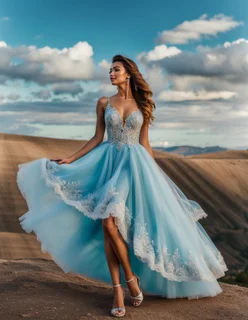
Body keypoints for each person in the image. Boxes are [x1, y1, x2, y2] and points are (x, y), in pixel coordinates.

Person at [17, 54, 228, 318]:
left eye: (115, 69)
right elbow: (97, 137)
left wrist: (156, 176)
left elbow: (145, 143)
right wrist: (71, 159)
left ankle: (129, 280)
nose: (111, 73)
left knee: (109, 222)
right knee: (108, 225)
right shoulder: (104, 102)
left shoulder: (143, 103)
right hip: (107, 163)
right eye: (110, 70)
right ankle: (122, 286)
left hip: (134, 166)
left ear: (128, 73)